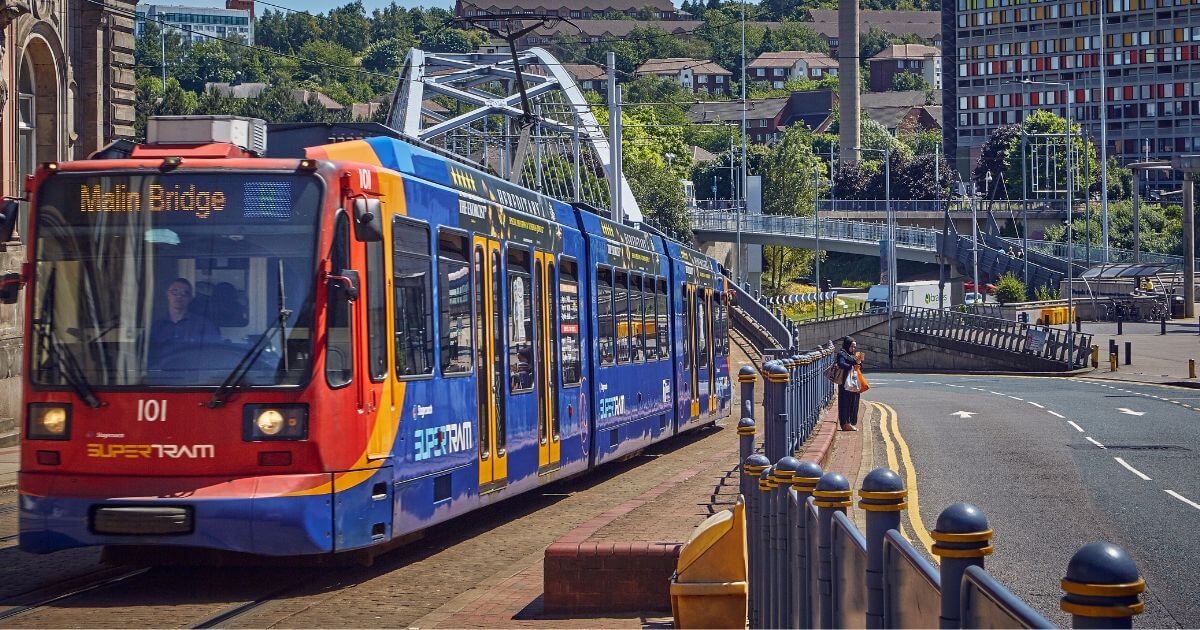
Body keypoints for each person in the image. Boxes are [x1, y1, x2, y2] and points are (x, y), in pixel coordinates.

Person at [149, 278, 221, 365]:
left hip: (193, 375)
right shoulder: (156, 327)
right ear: (168, 294)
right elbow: (149, 357)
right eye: (175, 292)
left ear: (190, 298)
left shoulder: (204, 325)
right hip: (162, 376)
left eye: (185, 293)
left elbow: (214, 355)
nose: (179, 296)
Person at [836, 336, 863, 431]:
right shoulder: (841, 354)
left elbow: (858, 366)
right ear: (847, 345)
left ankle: (850, 422)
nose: (854, 349)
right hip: (845, 383)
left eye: (855, 347)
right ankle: (845, 424)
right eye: (852, 346)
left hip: (853, 382)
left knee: (853, 402)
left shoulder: (852, 355)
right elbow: (841, 363)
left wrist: (859, 363)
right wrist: (851, 367)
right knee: (845, 402)